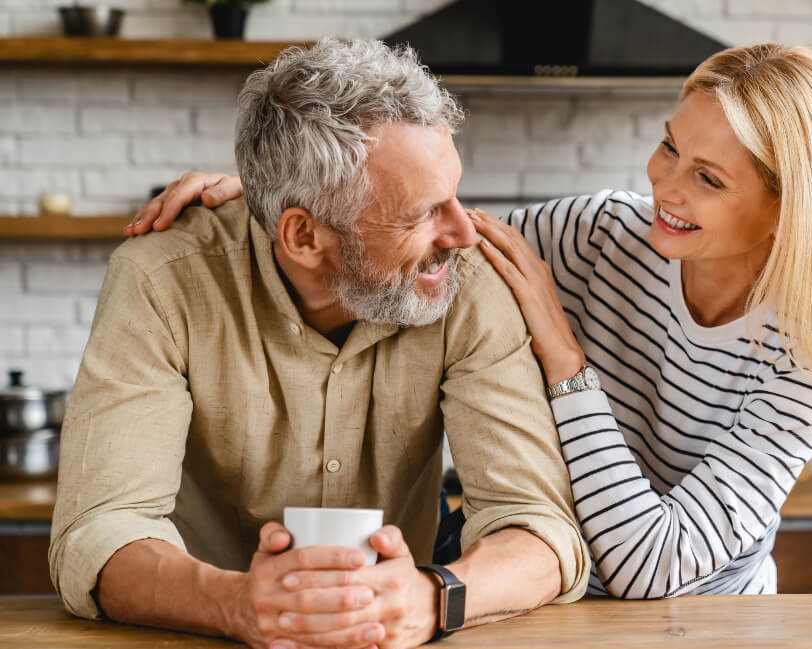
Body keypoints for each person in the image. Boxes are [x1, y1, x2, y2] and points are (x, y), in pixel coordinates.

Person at [130, 43, 812, 599]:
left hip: (699, 621)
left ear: (789, 211)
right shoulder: (606, 232)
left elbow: (653, 563)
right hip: (539, 599)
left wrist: (565, 358)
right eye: (669, 146)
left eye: (706, 178)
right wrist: (278, 190)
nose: (662, 183)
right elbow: (412, 229)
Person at [51, 38, 589, 649]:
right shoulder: (161, 280)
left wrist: (435, 598)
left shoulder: (464, 280)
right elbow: (97, 534)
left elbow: (541, 531)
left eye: (455, 194)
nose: (463, 231)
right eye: (420, 213)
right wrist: (232, 604)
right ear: (303, 236)